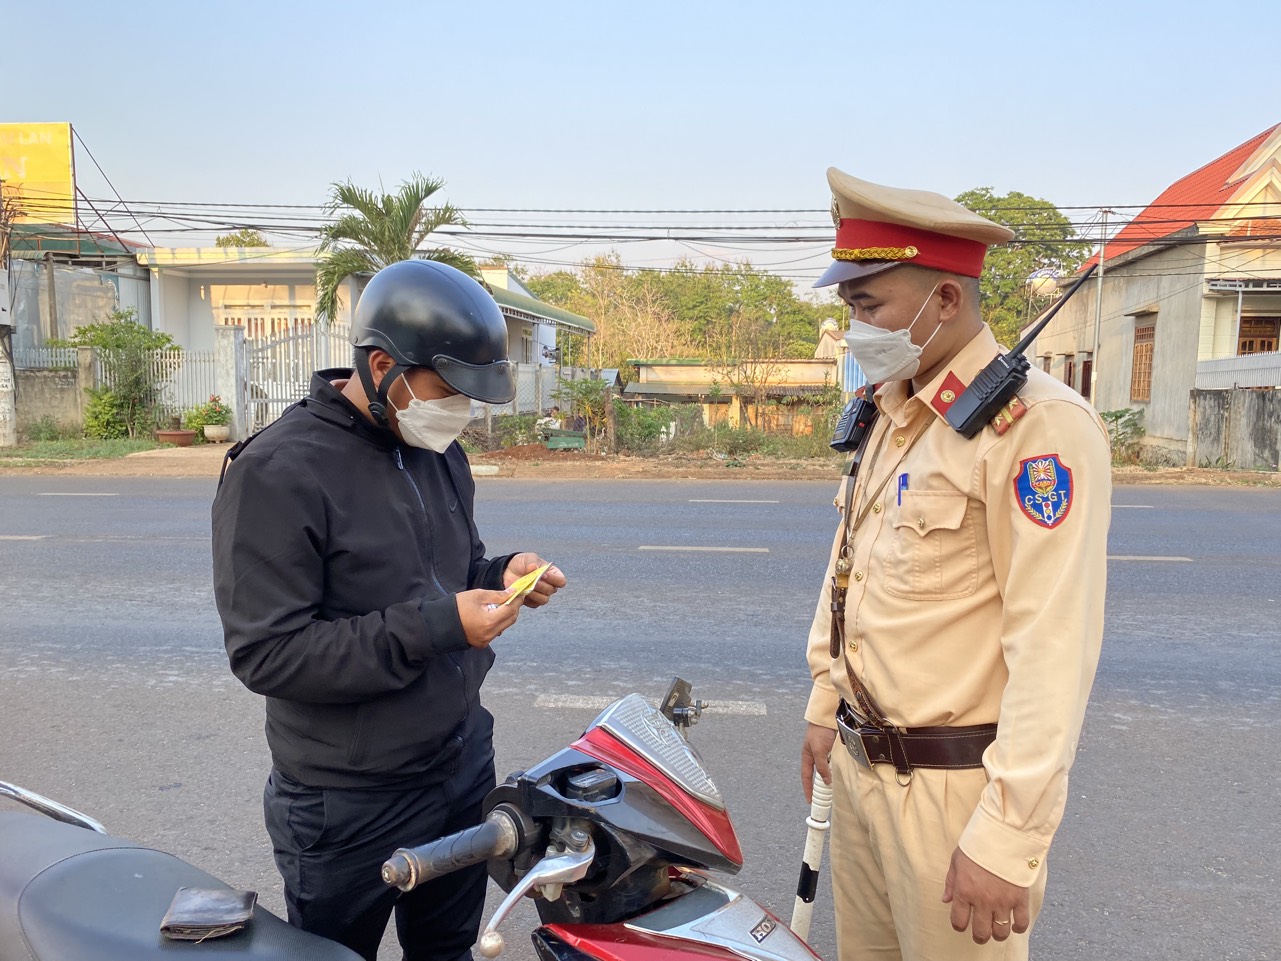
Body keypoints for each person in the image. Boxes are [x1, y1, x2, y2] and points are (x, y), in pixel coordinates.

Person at [212, 259, 567, 961]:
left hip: (459, 767)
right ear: (381, 366)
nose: (460, 410)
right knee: (334, 956)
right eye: (448, 390)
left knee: (448, 952)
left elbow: (448, 573)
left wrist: (502, 574)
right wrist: (441, 625)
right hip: (348, 802)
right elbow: (267, 652)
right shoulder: (277, 471)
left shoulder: (436, 450)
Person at [799, 169, 1110, 961]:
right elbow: (851, 567)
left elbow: (1051, 644)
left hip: (952, 795)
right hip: (861, 767)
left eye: (868, 305)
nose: (854, 326)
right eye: (849, 307)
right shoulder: (888, 409)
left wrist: (1007, 835)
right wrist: (822, 699)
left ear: (943, 300)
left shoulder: (1034, 427)